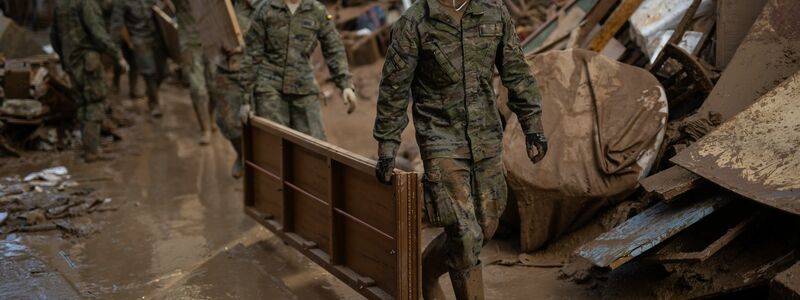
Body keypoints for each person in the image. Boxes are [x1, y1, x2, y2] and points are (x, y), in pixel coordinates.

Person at [372, 0, 548, 299]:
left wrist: (533, 125)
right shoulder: (414, 22)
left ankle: (424, 274)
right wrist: (388, 144)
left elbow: (516, 71)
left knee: (485, 225)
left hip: (486, 136)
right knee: (464, 233)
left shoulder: (494, 12)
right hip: (441, 139)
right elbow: (394, 89)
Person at [242, 0, 357, 140]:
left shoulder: (316, 10)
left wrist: (345, 85)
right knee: (272, 142)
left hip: (304, 85)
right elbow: (251, 55)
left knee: (314, 145)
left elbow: (334, 48)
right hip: (269, 86)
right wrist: (245, 99)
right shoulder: (266, 9)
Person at [51, 0, 129, 162]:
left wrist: (66, 60)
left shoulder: (60, 5)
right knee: (95, 102)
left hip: (72, 63)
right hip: (88, 61)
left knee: (82, 105)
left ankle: (90, 147)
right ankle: (92, 151)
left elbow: (54, 37)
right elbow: (98, 33)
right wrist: (118, 56)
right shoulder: (86, 3)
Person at [110, 0, 167, 118]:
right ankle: (154, 104)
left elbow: (161, 10)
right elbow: (117, 25)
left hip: (155, 37)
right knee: (149, 72)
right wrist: (124, 46)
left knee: (163, 71)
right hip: (138, 39)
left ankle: (150, 91)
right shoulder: (120, 3)